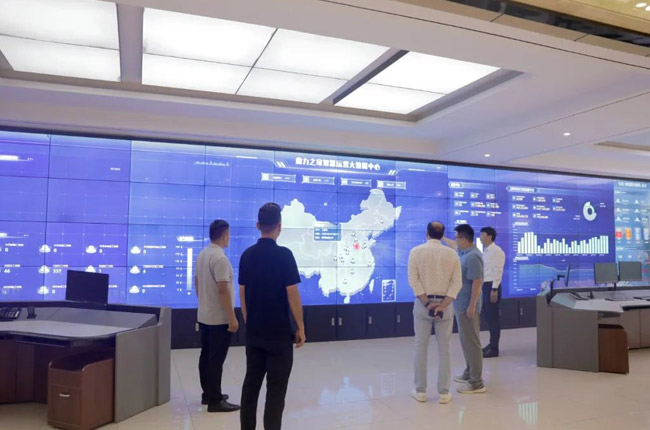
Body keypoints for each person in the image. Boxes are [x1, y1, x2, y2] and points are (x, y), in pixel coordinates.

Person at [239, 202, 306, 430]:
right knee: (276, 391)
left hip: (254, 332)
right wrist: (300, 326)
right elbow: (292, 293)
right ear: (279, 226)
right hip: (279, 334)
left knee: (251, 386)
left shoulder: (247, 255)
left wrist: (248, 319)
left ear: (258, 225)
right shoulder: (284, 255)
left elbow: (242, 292)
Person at [408, 221, 462, 405]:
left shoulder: (416, 252)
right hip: (445, 307)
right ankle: (444, 393)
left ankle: (420, 391)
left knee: (420, 346)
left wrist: (427, 303)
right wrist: (443, 304)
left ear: (427, 233)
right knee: (445, 348)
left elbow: (413, 280)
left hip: (423, 305)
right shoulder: (452, 254)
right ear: (442, 235)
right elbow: (457, 283)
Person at [195, 219, 240, 413]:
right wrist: (232, 317)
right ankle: (215, 400)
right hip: (219, 319)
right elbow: (223, 289)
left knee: (206, 356)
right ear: (224, 235)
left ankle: (208, 394)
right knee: (216, 360)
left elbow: (197, 282)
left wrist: (205, 303)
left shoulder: (203, 254)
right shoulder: (220, 259)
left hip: (205, 315)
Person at [452, 224, 486, 394]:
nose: (455, 241)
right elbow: (452, 245)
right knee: (466, 341)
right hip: (461, 304)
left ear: (464, 239)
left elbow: (477, 282)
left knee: (472, 343)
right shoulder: (464, 253)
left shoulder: (473, 256)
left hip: (468, 306)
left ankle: (476, 383)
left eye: (457, 238)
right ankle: (469, 372)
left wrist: (472, 306)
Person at [480, 227, 505, 358]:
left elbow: (498, 270)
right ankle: (491, 344)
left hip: (492, 286)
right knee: (488, 317)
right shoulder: (486, 251)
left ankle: (494, 349)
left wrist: (494, 289)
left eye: (482, 235)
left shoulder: (497, 251)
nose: (480, 237)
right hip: (485, 285)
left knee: (493, 318)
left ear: (490, 237)